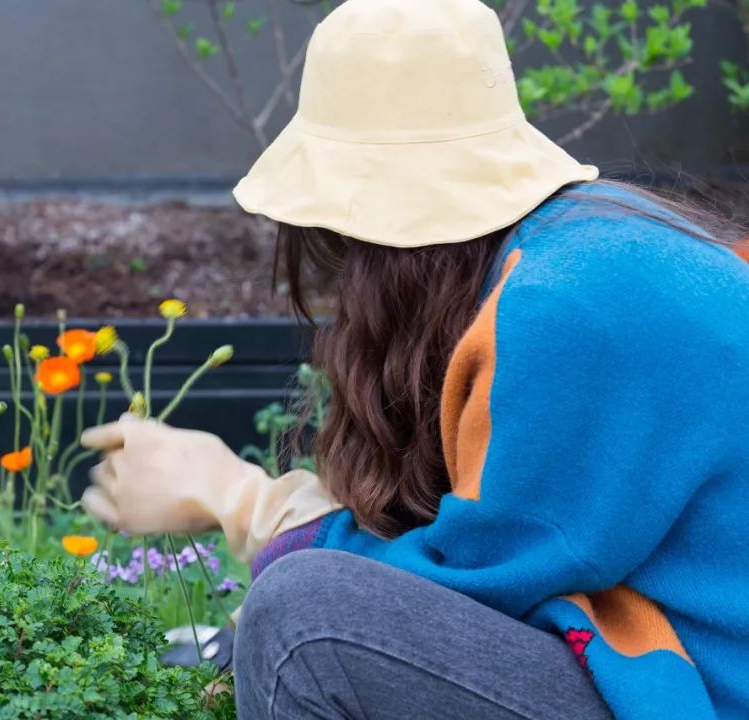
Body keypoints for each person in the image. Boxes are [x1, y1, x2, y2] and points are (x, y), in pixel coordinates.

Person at [80, 0, 749, 717]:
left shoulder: (567, 307)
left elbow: (479, 582)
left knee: (304, 622)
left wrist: (243, 500)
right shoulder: (591, 246)